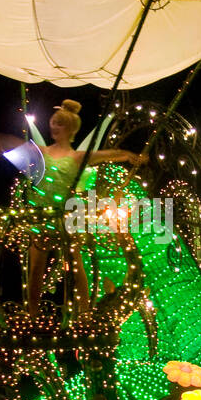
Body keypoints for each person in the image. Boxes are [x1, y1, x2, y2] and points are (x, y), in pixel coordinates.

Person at [24, 99, 146, 317]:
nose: (54, 127)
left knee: (76, 264)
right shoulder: (42, 151)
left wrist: (129, 156)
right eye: (53, 122)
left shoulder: (77, 157)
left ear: (70, 129)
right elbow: (19, 151)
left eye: (59, 124)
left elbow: (108, 154)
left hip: (65, 219)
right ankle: (32, 314)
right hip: (42, 218)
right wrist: (1, 144)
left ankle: (86, 313)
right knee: (35, 270)